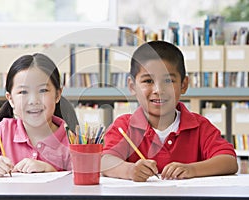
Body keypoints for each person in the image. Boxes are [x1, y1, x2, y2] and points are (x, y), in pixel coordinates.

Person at [101, 41, 238, 182]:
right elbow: (104, 161)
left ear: (183, 85)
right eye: (148, 81)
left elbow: (229, 161)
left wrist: (192, 170)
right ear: (132, 86)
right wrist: (129, 170)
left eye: (168, 81)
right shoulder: (124, 126)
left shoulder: (199, 126)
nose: (158, 90)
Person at [0, 53, 78, 177]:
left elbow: (80, 185)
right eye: (23, 92)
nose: (33, 100)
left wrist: (50, 171)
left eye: (43, 90)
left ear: (58, 95)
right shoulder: (4, 130)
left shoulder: (71, 141)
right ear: (10, 99)